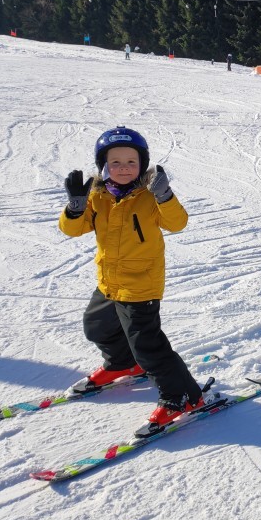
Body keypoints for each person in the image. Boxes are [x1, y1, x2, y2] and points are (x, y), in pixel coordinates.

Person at [59, 127, 213, 436]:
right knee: (96, 326)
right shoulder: (97, 195)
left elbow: (177, 223)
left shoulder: (150, 195)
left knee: (148, 347)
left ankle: (183, 397)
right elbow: (73, 230)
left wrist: (165, 196)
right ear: (102, 165)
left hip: (141, 284)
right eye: (115, 162)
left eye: (132, 161)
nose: (124, 168)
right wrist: (75, 208)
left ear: (143, 165)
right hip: (109, 280)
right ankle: (121, 363)